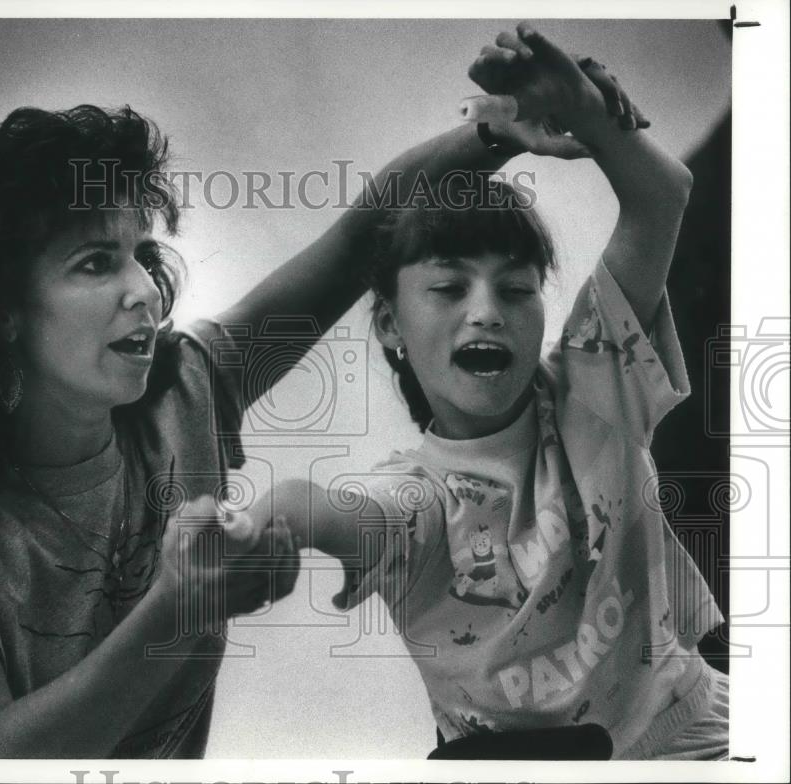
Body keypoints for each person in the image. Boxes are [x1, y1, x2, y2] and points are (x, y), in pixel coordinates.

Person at [0, 42, 641, 758]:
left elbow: (367, 234)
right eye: (94, 264)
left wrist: (498, 130)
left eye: (139, 255)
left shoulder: (183, 394)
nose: (141, 291)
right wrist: (176, 606)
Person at [250, 24, 727, 760]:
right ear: (389, 325)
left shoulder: (593, 387)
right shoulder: (417, 498)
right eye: (447, 286)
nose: (486, 309)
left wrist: (587, 111)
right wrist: (273, 515)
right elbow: (339, 513)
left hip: (695, 734)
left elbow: (664, 193)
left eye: (515, 287)